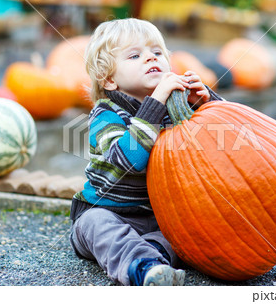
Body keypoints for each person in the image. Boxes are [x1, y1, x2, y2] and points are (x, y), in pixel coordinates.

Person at [69, 18, 224, 286]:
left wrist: (207, 102)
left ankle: (156, 263)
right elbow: (128, 161)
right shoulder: (105, 115)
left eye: (157, 52)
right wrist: (155, 102)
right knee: (96, 225)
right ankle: (141, 267)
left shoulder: (174, 108)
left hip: (160, 217)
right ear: (109, 80)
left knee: (186, 233)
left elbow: (220, 147)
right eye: (134, 55)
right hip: (108, 212)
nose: (150, 58)